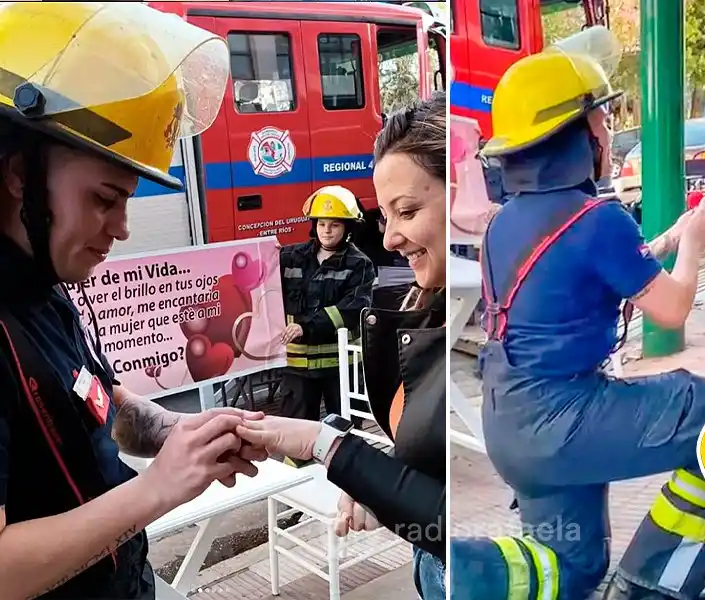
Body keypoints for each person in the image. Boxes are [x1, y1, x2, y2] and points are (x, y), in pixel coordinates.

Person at [449, 28, 705, 600]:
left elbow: (581, 274)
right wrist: (691, 249)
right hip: (564, 419)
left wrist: (672, 238)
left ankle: (458, 571)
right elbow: (672, 309)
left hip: (509, 422)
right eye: (603, 119)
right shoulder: (597, 219)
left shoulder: (500, 224)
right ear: (579, 132)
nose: (610, 131)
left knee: (573, 568)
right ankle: (649, 588)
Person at [0, 3, 269, 599]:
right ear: (19, 173)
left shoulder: (40, 285)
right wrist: (156, 490)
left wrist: (185, 432)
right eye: (102, 199)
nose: (121, 228)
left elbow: (100, 403)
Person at [236, 92, 448, 599]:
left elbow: (463, 517)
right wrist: (380, 489)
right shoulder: (435, 307)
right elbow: (434, 488)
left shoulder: (498, 332)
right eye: (386, 217)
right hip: (435, 568)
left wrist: (328, 446)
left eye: (409, 210)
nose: (392, 238)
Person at [277, 185, 375, 435]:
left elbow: (352, 310)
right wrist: (265, 254)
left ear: (347, 228)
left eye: (334, 225)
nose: (327, 231)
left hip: (340, 367)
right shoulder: (291, 257)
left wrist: (304, 326)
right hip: (299, 366)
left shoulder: (360, 264)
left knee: (345, 434)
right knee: (295, 435)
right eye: (322, 224)